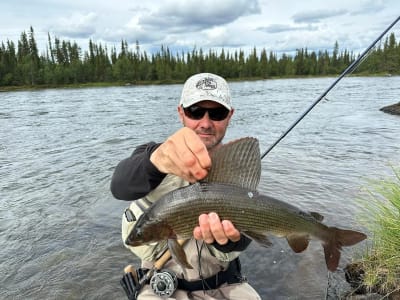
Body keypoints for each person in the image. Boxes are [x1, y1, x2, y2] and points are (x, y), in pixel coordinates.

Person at [111, 73, 261, 300]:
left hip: (225, 283)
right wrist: (155, 162)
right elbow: (120, 186)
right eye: (195, 111)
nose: (206, 123)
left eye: (217, 113)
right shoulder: (152, 155)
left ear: (229, 116)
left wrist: (229, 242)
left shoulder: (237, 169)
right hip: (159, 286)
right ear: (181, 112)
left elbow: (250, 230)